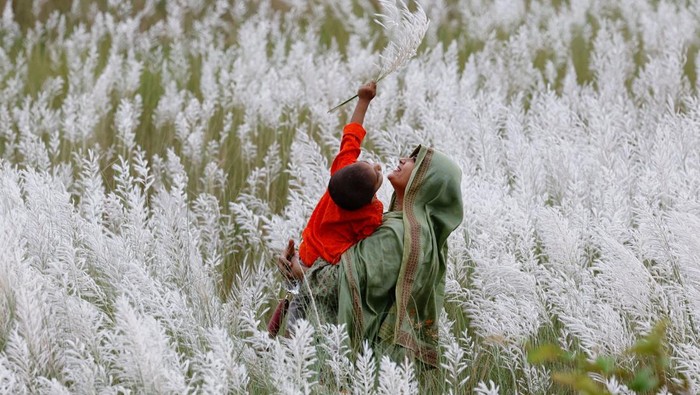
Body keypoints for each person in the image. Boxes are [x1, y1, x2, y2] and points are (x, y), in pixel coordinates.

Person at [278, 144, 463, 368]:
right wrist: (299, 264)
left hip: (350, 360)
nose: (403, 159)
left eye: (415, 160)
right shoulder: (401, 225)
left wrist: (301, 271)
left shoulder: (399, 234)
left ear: (427, 181)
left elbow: (342, 282)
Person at [298, 81, 384, 268]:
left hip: (305, 253)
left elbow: (351, 137)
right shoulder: (370, 215)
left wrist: (363, 100)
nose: (377, 166)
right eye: (377, 175)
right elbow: (366, 241)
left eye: (368, 163)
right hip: (325, 267)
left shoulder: (342, 169)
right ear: (370, 197)